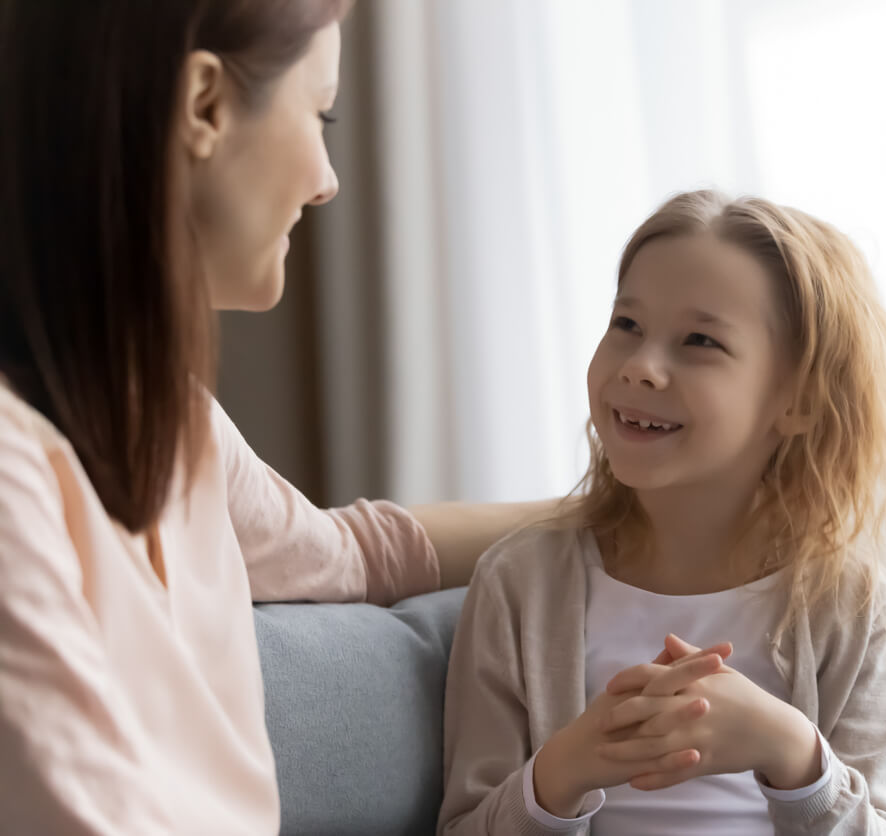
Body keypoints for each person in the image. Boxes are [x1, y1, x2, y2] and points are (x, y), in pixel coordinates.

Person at [0, 2, 546, 833]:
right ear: (205, 106)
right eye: (319, 113)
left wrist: (629, 510)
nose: (327, 178)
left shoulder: (175, 423)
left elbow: (350, 554)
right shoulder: (13, 474)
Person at [437, 190, 886, 835]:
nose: (640, 366)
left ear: (799, 402)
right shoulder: (520, 584)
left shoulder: (851, 604)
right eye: (627, 326)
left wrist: (793, 753)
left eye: (699, 340)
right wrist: (559, 774)